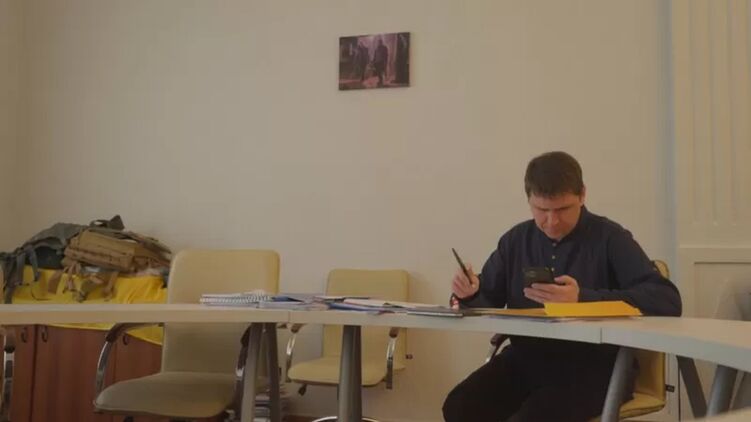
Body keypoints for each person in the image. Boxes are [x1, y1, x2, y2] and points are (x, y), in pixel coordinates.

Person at [442, 151, 682, 422]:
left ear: (582, 195)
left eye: (563, 209)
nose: (552, 221)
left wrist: (582, 298)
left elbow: (667, 299)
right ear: (529, 200)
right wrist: (470, 293)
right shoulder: (515, 240)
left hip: (596, 368)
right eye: (542, 210)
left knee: (532, 418)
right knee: (460, 406)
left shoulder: (611, 237)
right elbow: (488, 300)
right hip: (526, 359)